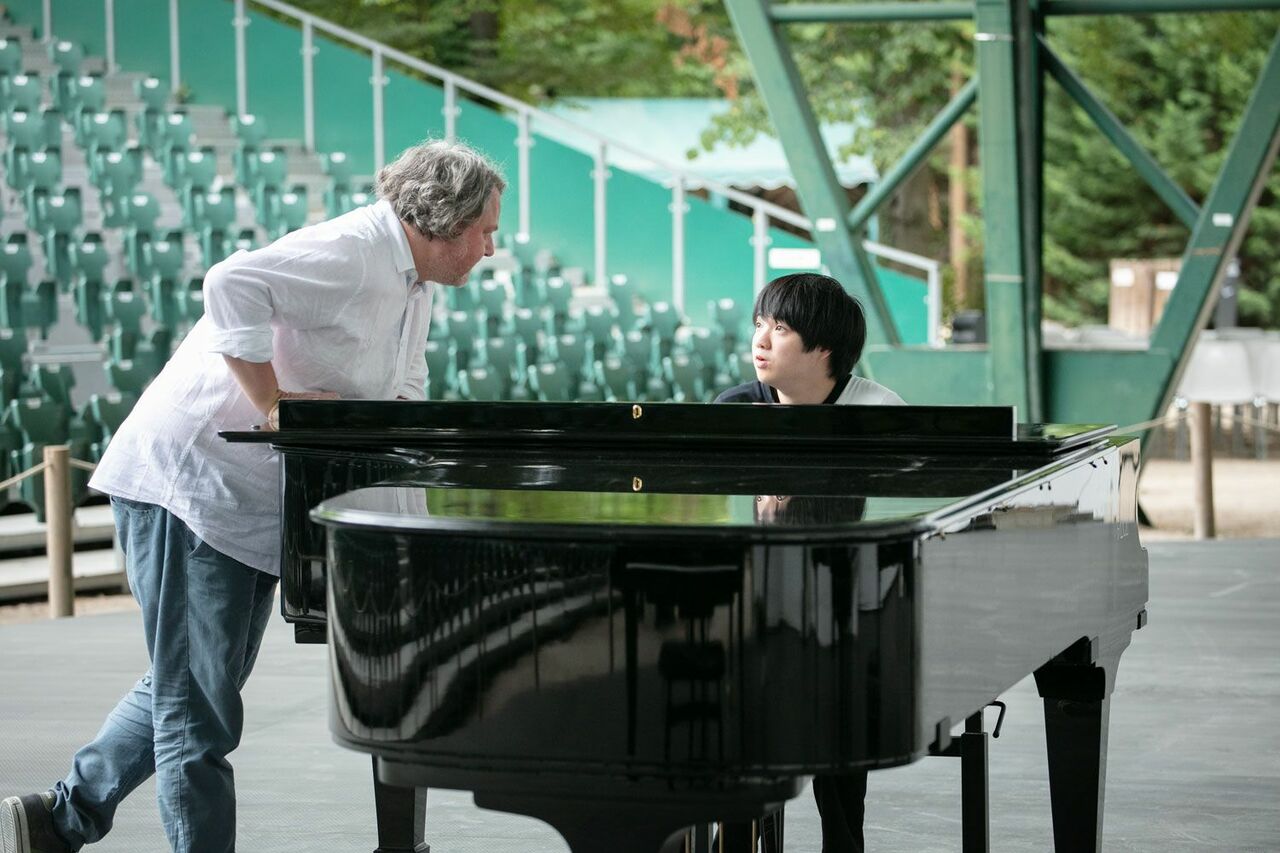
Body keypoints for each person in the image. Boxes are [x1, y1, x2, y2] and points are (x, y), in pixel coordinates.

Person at [1, 139, 505, 853]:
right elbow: (230, 280)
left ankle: (57, 821)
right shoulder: (352, 250)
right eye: (485, 229)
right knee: (197, 709)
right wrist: (271, 400)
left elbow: (400, 394)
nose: (492, 247)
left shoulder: (412, 288)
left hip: (243, 497)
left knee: (192, 688)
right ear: (442, 219)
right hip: (191, 484)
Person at [715, 272, 904, 853]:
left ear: (824, 348)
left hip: (848, 605)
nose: (761, 341)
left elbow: (896, 534)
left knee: (839, 686)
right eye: (758, 325)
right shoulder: (734, 410)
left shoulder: (879, 413)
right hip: (750, 605)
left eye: (781, 328)